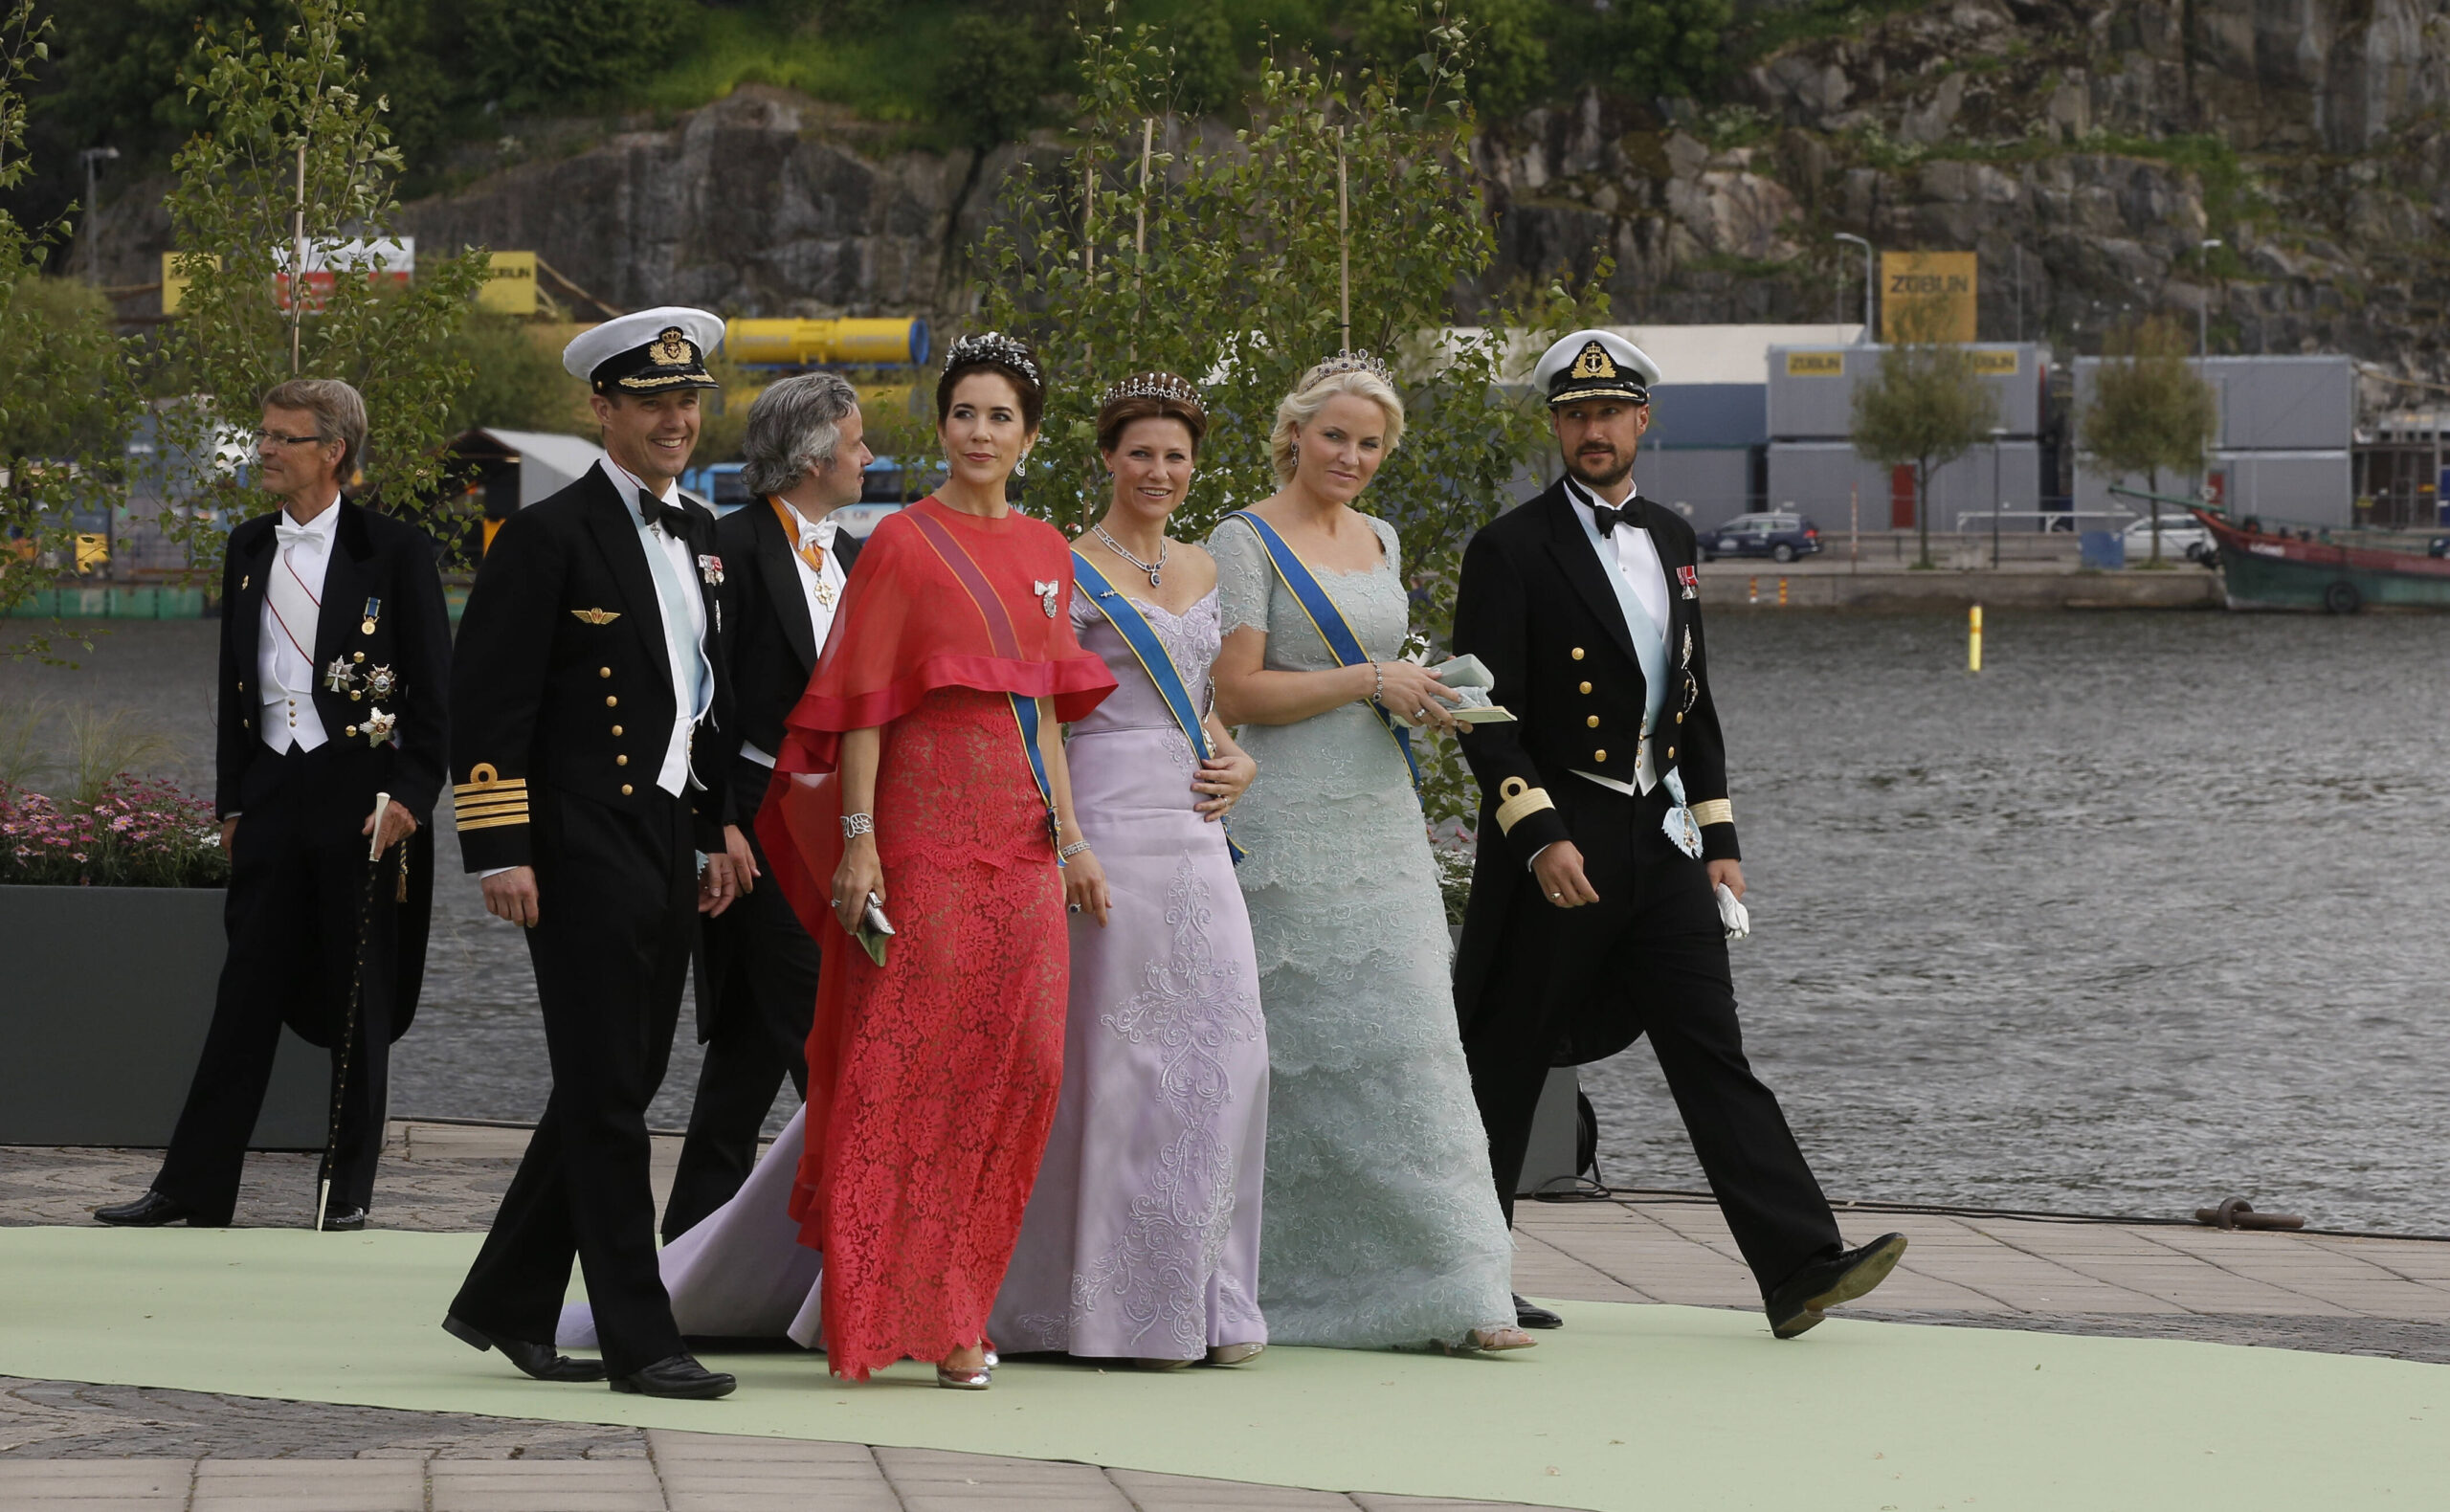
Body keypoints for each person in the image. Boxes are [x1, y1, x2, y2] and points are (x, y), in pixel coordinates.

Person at [1449, 329, 1906, 1341]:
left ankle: (1797, 1264)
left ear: (1641, 421)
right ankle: (1463, 1275)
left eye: (1609, 413)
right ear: (1557, 427)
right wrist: (1537, 833)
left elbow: (1690, 700)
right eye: (1574, 414)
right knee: (1506, 1059)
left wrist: (1721, 835)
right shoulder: (1508, 546)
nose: (1592, 429)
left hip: (1659, 837)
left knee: (1712, 1047)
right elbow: (1486, 712)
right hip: (1560, 834)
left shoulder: (1674, 536)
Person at [753, 331, 1115, 1388]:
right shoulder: (902, 543)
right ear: (942, 425)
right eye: (964, 413)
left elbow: (1046, 713)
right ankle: (875, 1313)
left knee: (1023, 1073)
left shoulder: (1051, 550)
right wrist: (859, 845)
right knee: (904, 1068)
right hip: (921, 831)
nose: (980, 433)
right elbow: (861, 705)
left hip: (1022, 842)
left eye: (1002, 416)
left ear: (1031, 435)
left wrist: (1074, 840)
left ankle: (960, 1295)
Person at [439, 308, 748, 1401]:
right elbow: (485, 708)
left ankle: (504, 1300)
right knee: (613, 1095)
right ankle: (640, 1336)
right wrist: (498, 847)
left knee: (614, 1078)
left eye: (689, 399)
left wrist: (713, 827)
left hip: (666, 831)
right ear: (603, 409)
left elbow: (705, 703)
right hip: (573, 841)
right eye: (653, 400)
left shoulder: (705, 531)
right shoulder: (546, 535)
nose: (676, 417)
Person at [1206, 352, 1529, 1353]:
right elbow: (1241, 692)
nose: (1350, 455)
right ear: (1293, 432)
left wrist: (1422, 691)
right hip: (1285, 821)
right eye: (1334, 435)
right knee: (1294, 1060)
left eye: (1370, 442)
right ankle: (1273, 1285)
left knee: (1414, 1044)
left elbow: (1379, 672)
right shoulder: (1241, 536)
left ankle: (1459, 1287)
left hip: (1380, 817)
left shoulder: (1381, 535)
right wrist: (1366, 680)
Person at [96, 379, 448, 1234]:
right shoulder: (247, 544)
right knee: (243, 992)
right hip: (270, 796)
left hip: (362, 803)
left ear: (334, 451)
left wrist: (409, 796)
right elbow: (233, 686)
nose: (264, 450)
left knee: (359, 997)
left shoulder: (396, 551)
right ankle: (193, 1185)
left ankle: (346, 1188)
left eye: (284, 438)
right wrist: (230, 802)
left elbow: (437, 694)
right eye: (264, 435)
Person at [990, 372, 1268, 1369]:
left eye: (1176, 456)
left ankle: (1205, 1292)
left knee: (1227, 1054)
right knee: (1113, 1067)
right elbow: (1043, 716)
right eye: (1141, 452)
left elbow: (1209, 700)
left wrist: (1238, 754)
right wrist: (1067, 839)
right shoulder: (1063, 566)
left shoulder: (1205, 565)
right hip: (1103, 819)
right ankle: (1095, 1305)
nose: (1159, 471)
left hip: (1196, 830)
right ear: (1108, 457)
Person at [660, 373, 871, 1244]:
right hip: (756, 810)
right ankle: (865, 1246)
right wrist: (719, 827)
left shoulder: (858, 555)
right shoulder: (726, 546)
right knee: (817, 1034)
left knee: (746, 1053)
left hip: (840, 822)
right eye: (857, 443)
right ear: (815, 455)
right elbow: (697, 699)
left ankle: (690, 1256)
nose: (868, 457)